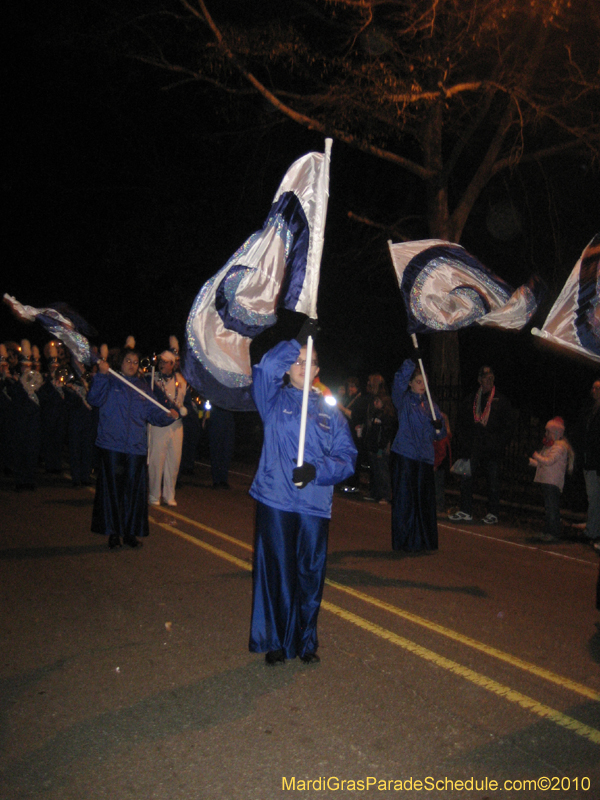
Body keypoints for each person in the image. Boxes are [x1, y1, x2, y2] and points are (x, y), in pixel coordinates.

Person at [248, 319, 357, 666]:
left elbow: (348, 458)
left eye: (308, 361)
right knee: (278, 572)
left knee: (309, 573)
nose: (301, 366)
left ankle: (306, 640)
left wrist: (317, 471)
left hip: (313, 503)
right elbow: (265, 368)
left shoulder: (329, 412)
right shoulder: (272, 398)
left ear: (317, 370)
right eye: (297, 361)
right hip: (276, 500)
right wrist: (296, 342)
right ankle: (278, 640)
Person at [89, 347, 179, 549]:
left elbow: (153, 413)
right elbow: (93, 399)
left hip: (135, 448)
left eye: (135, 362)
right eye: (128, 361)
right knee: (113, 492)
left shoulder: (144, 387)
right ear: (120, 363)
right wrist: (102, 376)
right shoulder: (110, 380)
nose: (132, 365)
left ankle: (130, 532)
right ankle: (113, 532)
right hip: (112, 445)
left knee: (133, 494)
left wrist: (167, 416)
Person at [390, 358, 446, 552]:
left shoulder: (431, 406)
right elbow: (398, 382)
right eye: (418, 381)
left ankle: (424, 541)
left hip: (424, 458)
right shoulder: (403, 400)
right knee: (405, 500)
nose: (422, 386)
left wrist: (439, 426)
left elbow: (440, 434)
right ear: (411, 383)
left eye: (425, 382)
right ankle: (404, 541)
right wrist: (413, 362)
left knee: (424, 502)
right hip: (405, 455)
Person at [449, 365, 513, 525]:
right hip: (473, 447)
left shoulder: (501, 400)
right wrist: (464, 442)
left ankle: (493, 512)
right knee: (466, 478)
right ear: (479, 380)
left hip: (491, 449)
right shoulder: (470, 400)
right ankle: (466, 510)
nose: (489, 380)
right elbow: (461, 422)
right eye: (486, 377)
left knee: (492, 481)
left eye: (491, 377)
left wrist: (499, 444)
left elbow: (508, 426)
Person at [147, 350, 188, 506]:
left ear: (173, 364)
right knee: (157, 460)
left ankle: (169, 494)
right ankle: (154, 494)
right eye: (160, 362)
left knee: (174, 460)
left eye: (165, 362)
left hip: (177, 425)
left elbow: (188, 402)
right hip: (159, 424)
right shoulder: (152, 378)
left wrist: (183, 411)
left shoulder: (182, 381)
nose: (161, 364)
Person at [528, 417, 574, 542]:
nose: (546, 434)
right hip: (548, 481)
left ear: (556, 433)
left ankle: (553, 532)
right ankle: (548, 531)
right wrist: (531, 461)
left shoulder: (559, 448)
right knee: (549, 508)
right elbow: (543, 463)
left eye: (548, 432)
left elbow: (548, 461)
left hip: (552, 482)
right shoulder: (551, 446)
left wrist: (535, 455)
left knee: (552, 508)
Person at [574, 377, 600, 548]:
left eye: (597, 388)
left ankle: (593, 530)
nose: (593, 391)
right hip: (588, 460)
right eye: (593, 388)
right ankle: (592, 528)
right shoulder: (591, 409)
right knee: (593, 497)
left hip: (596, 461)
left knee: (595, 497)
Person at [363, 389, 395, 503]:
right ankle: (375, 494)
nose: (375, 403)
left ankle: (386, 496)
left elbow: (386, 434)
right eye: (375, 400)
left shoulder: (387, 416)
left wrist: (381, 449)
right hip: (373, 447)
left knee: (383, 473)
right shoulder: (375, 414)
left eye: (378, 401)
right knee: (375, 472)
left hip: (381, 449)